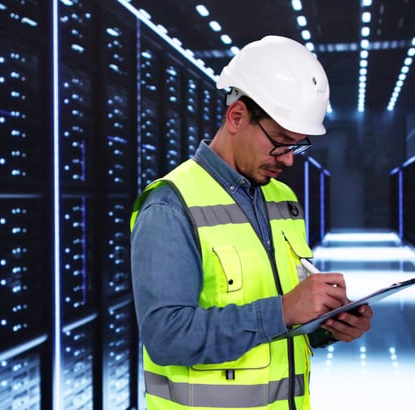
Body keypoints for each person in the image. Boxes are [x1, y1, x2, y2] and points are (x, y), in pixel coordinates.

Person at [129, 35, 373, 410]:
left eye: (298, 146)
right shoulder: (170, 205)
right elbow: (166, 338)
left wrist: (327, 325)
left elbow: (282, 325)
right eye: (280, 142)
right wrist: (285, 310)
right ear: (237, 117)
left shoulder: (282, 200)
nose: (289, 160)